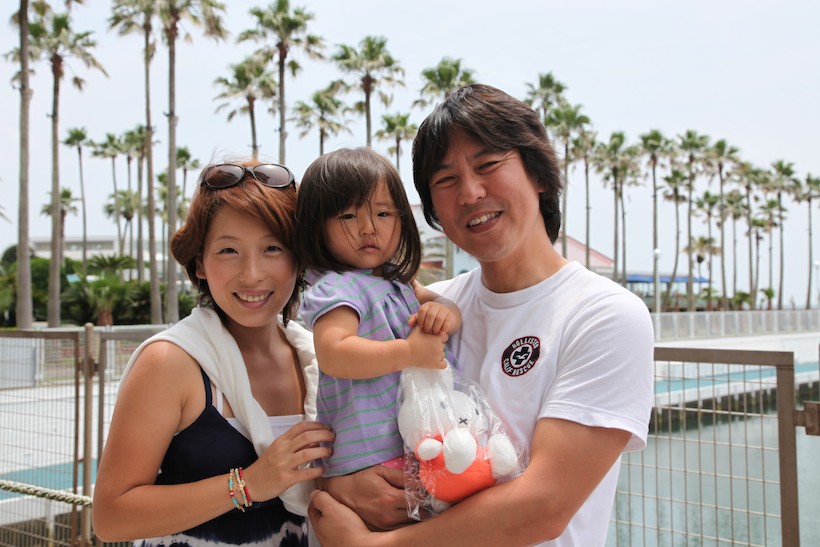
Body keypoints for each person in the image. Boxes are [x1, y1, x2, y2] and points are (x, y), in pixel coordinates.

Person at [308, 84, 655, 546]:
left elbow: (543, 507)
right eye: (446, 180)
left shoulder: (604, 315)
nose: (470, 193)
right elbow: (346, 411)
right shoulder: (432, 309)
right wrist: (340, 484)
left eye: (488, 165)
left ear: (539, 175)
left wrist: (374, 546)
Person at [92, 160, 334, 547]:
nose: (252, 274)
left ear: (299, 258)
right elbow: (110, 517)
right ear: (200, 262)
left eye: (273, 248)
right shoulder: (171, 362)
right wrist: (248, 485)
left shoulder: (320, 359)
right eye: (228, 250)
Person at [294, 147, 461, 481]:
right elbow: (334, 353)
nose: (368, 228)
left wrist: (442, 313)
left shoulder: (397, 279)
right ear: (317, 226)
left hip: (419, 439)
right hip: (371, 454)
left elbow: (445, 305)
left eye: (383, 213)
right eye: (348, 216)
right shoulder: (338, 287)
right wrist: (410, 352)